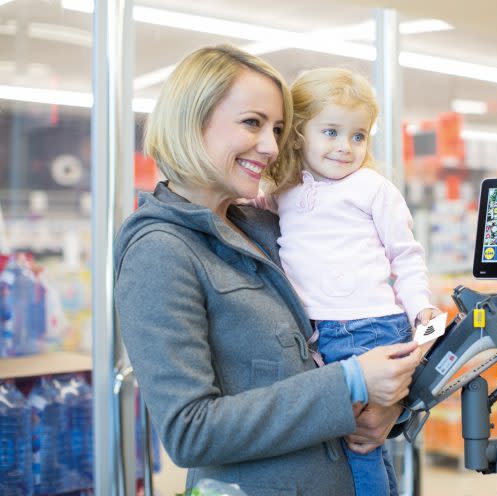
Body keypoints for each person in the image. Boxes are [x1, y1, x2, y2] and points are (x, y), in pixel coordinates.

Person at [113, 45, 423, 495]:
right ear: (191, 120)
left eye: (278, 128)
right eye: (252, 123)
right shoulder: (159, 251)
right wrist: (350, 382)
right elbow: (189, 430)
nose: (272, 146)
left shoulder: (265, 225)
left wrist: (387, 405)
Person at [246, 67, 441, 496]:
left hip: (368, 328)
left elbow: (405, 257)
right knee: (356, 443)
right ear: (298, 133)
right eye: (331, 132)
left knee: (359, 442)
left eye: (358, 136)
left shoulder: (373, 188)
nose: (345, 147)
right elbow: (247, 204)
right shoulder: (282, 190)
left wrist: (420, 307)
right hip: (317, 332)